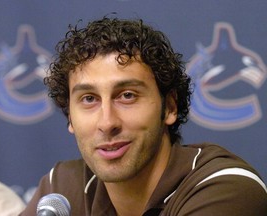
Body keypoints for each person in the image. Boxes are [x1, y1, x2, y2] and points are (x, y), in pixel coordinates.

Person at [20, 17, 267, 216]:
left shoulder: (225, 188)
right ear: (70, 119)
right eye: (89, 99)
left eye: (127, 96)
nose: (107, 123)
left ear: (169, 107)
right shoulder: (63, 188)